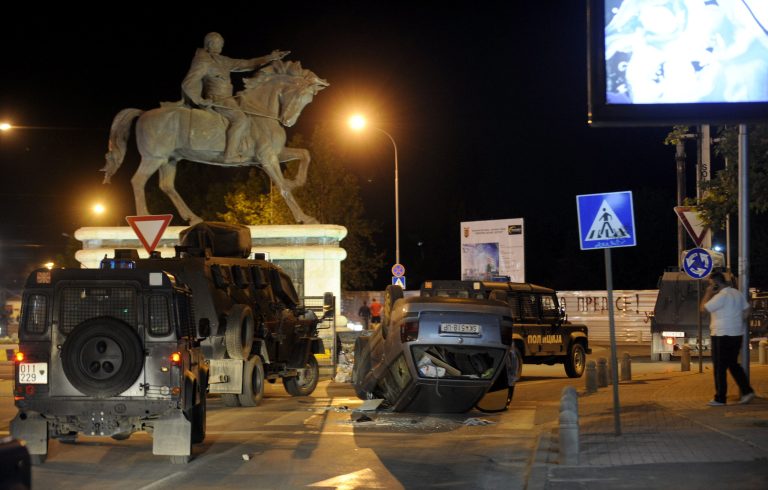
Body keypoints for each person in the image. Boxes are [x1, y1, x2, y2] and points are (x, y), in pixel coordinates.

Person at [182, 32, 288, 162]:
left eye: (221, 44)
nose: (219, 46)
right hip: (216, 99)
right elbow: (188, 83)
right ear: (209, 44)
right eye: (216, 43)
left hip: (228, 98)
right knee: (240, 119)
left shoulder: (224, 61)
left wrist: (270, 57)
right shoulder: (203, 61)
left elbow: (248, 64)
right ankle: (230, 154)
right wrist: (200, 100)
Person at [700, 271, 755, 406]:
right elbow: (748, 310)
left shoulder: (721, 296)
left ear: (716, 284)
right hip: (736, 333)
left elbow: (703, 309)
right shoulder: (737, 293)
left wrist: (708, 293)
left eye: (711, 284)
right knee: (733, 364)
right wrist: (737, 321)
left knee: (719, 367)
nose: (710, 286)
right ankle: (747, 391)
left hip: (721, 334)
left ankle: (720, 398)